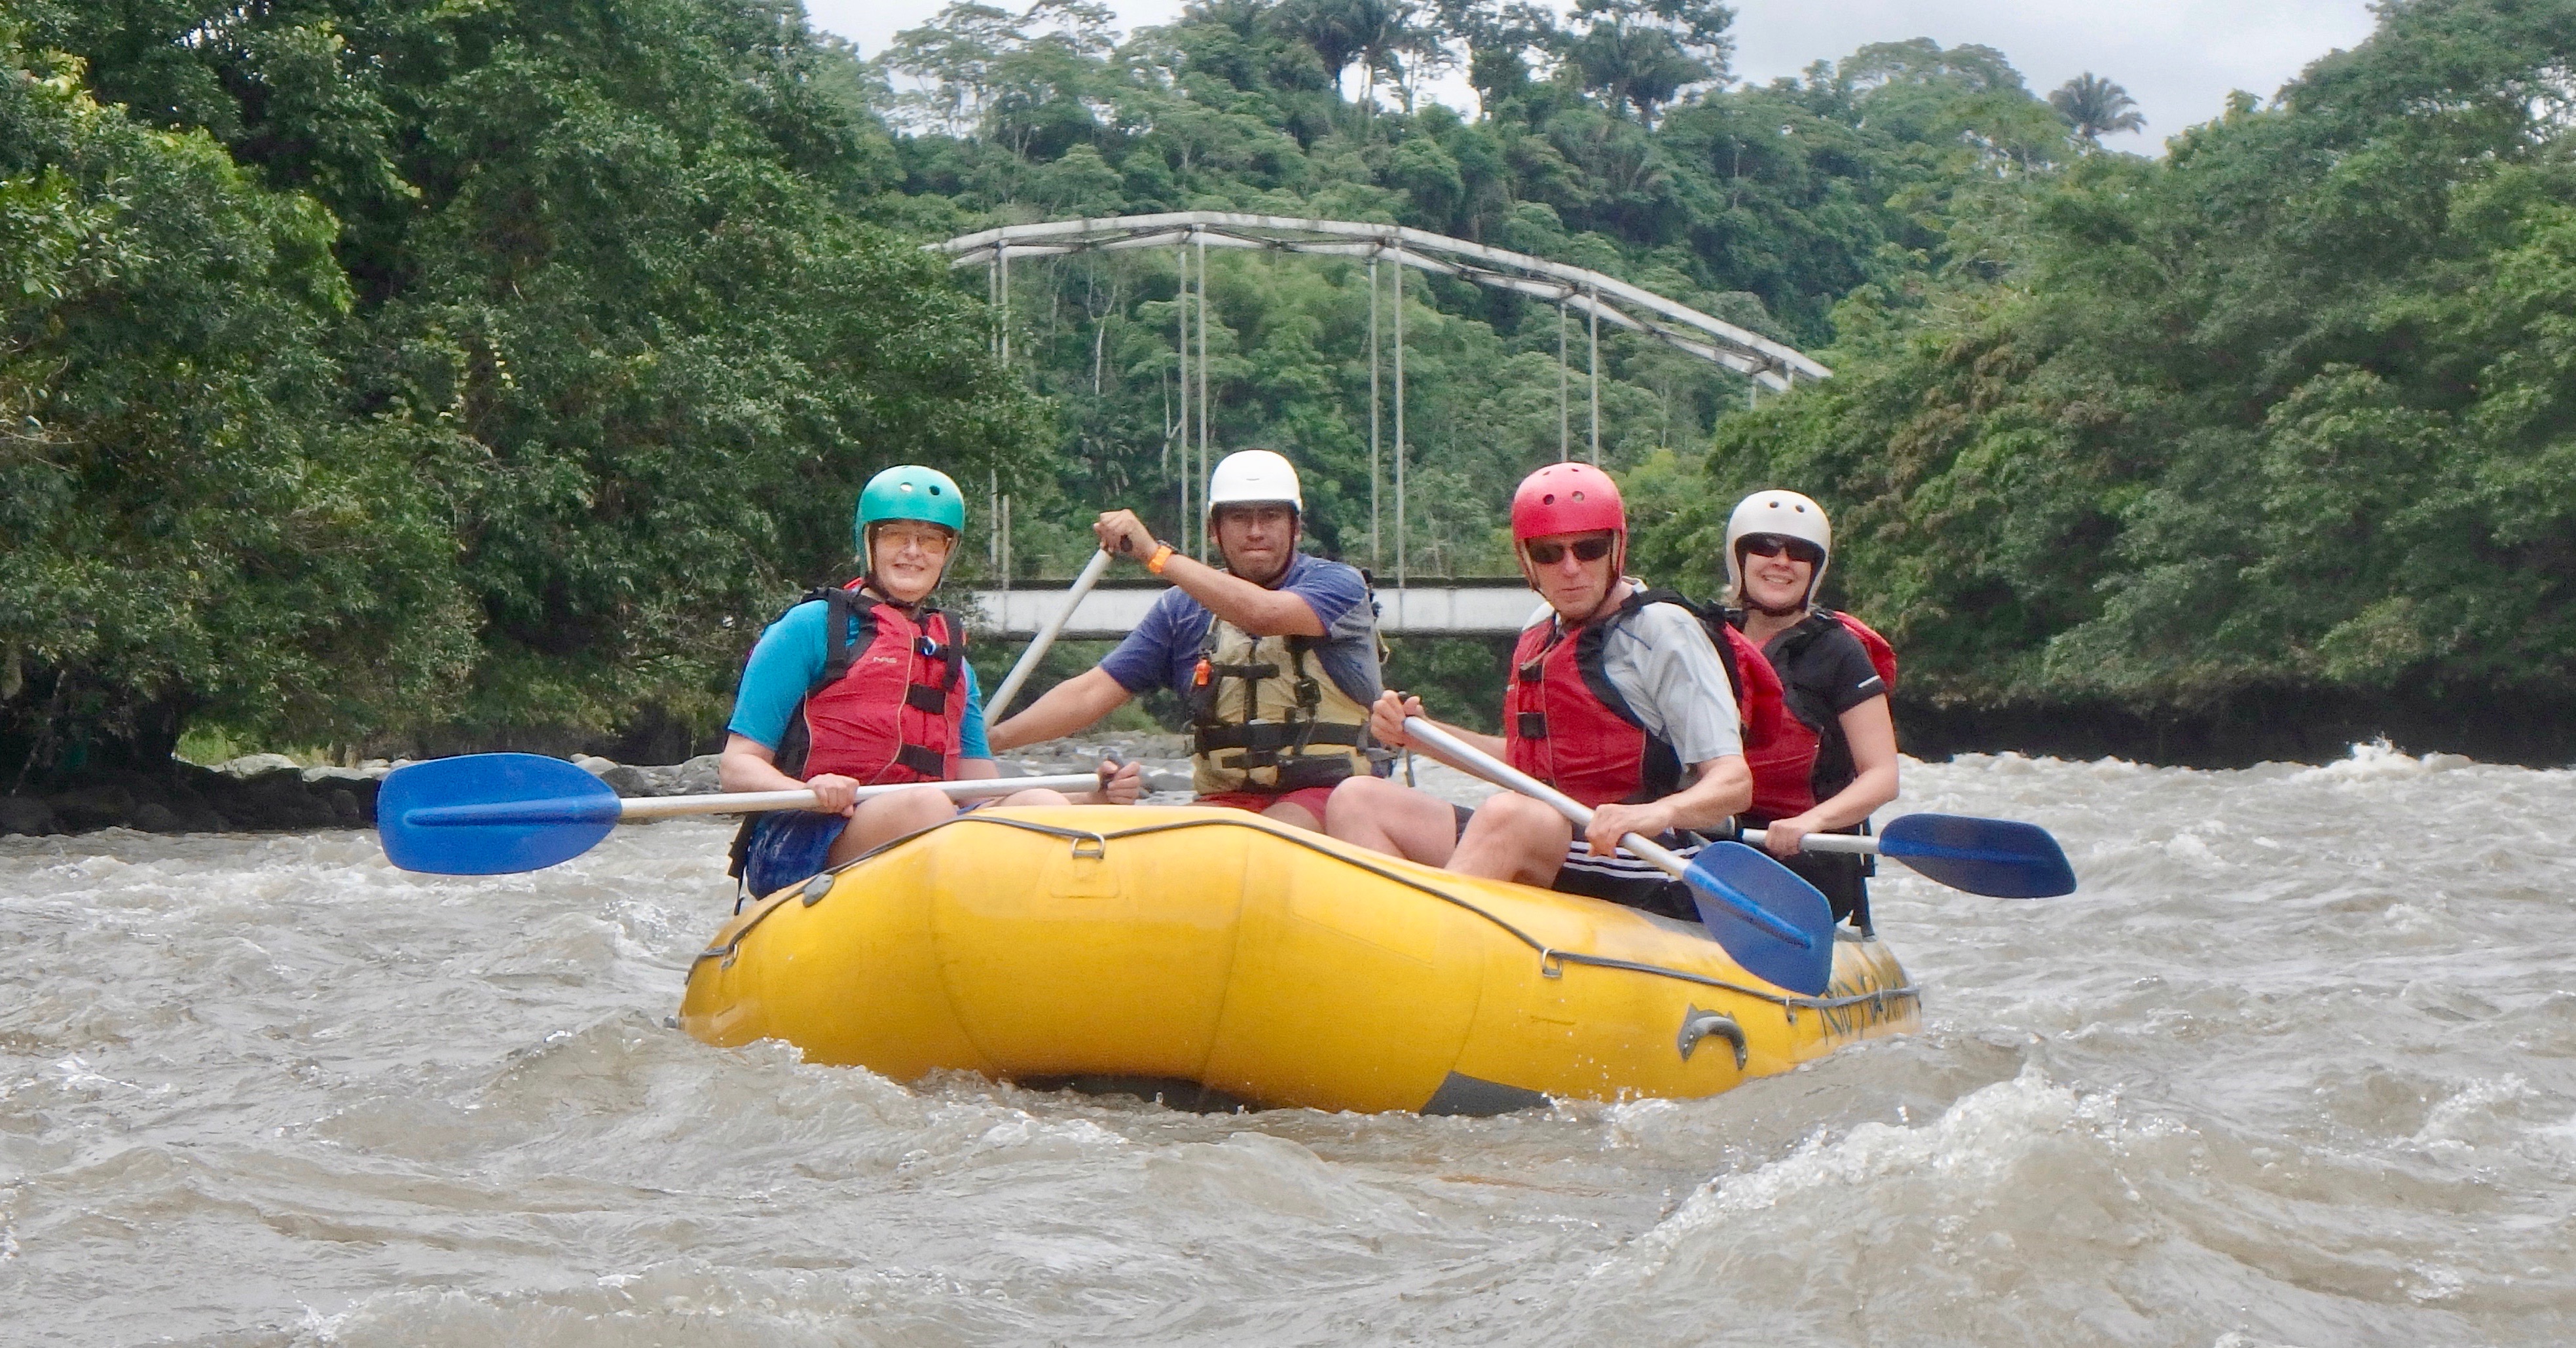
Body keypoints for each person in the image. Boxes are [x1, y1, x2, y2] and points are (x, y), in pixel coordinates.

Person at [1322, 463, 1752, 920]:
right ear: (1527, 561)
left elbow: (1734, 783)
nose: (1571, 569)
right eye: (1550, 553)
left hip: (1640, 851)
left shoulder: (1664, 630)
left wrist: (1656, 814)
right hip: (1549, 837)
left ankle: (1427, 948)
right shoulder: (1540, 630)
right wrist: (1421, 735)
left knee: (1512, 816)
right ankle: (1389, 938)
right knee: (1357, 799)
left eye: (1589, 549)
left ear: (1616, 550)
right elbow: (1525, 761)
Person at [721, 464, 1143, 900]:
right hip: (804, 835)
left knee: (1042, 803)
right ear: (868, 543)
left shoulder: (952, 660)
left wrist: (1089, 801)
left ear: (946, 553)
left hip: (927, 828)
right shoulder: (810, 627)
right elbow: (737, 766)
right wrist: (807, 790)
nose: (912, 552)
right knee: (925, 806)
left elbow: (979, 791)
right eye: (895, 536)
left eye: (929, 540)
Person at [988, 449, 1382, 832]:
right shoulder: (1182, 611)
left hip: (1333, 795)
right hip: (1228, 801)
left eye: (1271, 517)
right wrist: (988, 742)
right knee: (1161, 843)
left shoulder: (1339, 587)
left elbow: (1264, 613)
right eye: (1241, 518)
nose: (1256, 531)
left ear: (1296, 527)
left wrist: (1153, 554)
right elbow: (1090, 693)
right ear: (1216, 531)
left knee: (1265, 835)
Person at [1722, 490, 1900, 929]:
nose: (1781, 561)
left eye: (1799, 552)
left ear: (1814, 569)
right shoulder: (1708, 638)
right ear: (1739, 558)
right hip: (1711, 835)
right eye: (1764, 547)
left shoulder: (1838, 652)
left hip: (1806, 854)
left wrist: (1810, 822)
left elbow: (1882, 775)